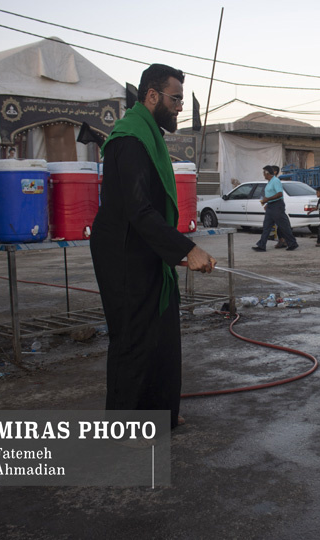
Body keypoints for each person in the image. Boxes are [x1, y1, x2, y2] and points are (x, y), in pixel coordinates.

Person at [90, 64, 216, 430]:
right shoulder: (130, 139)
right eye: (175, 98)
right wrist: (185, 249)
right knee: (133, 338)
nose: (179, 107)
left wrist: (174, 249)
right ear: (152, 96)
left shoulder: (150, 136)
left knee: (161, 332)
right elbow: (137, 208)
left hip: (146, 249)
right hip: (123, 253)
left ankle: (160, 413)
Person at [253, 165, 298, 251]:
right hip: (271, 206)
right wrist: (267, 202)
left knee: (283, 226)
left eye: (264, 173)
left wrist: (268, 199)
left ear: (267, 173)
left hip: (277, 206)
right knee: (266, 226)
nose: (263, 174)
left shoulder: (275, 181)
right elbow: (271, 193)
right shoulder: (270, 182)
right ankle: (261, 245)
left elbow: (279, 194)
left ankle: (292, 243)